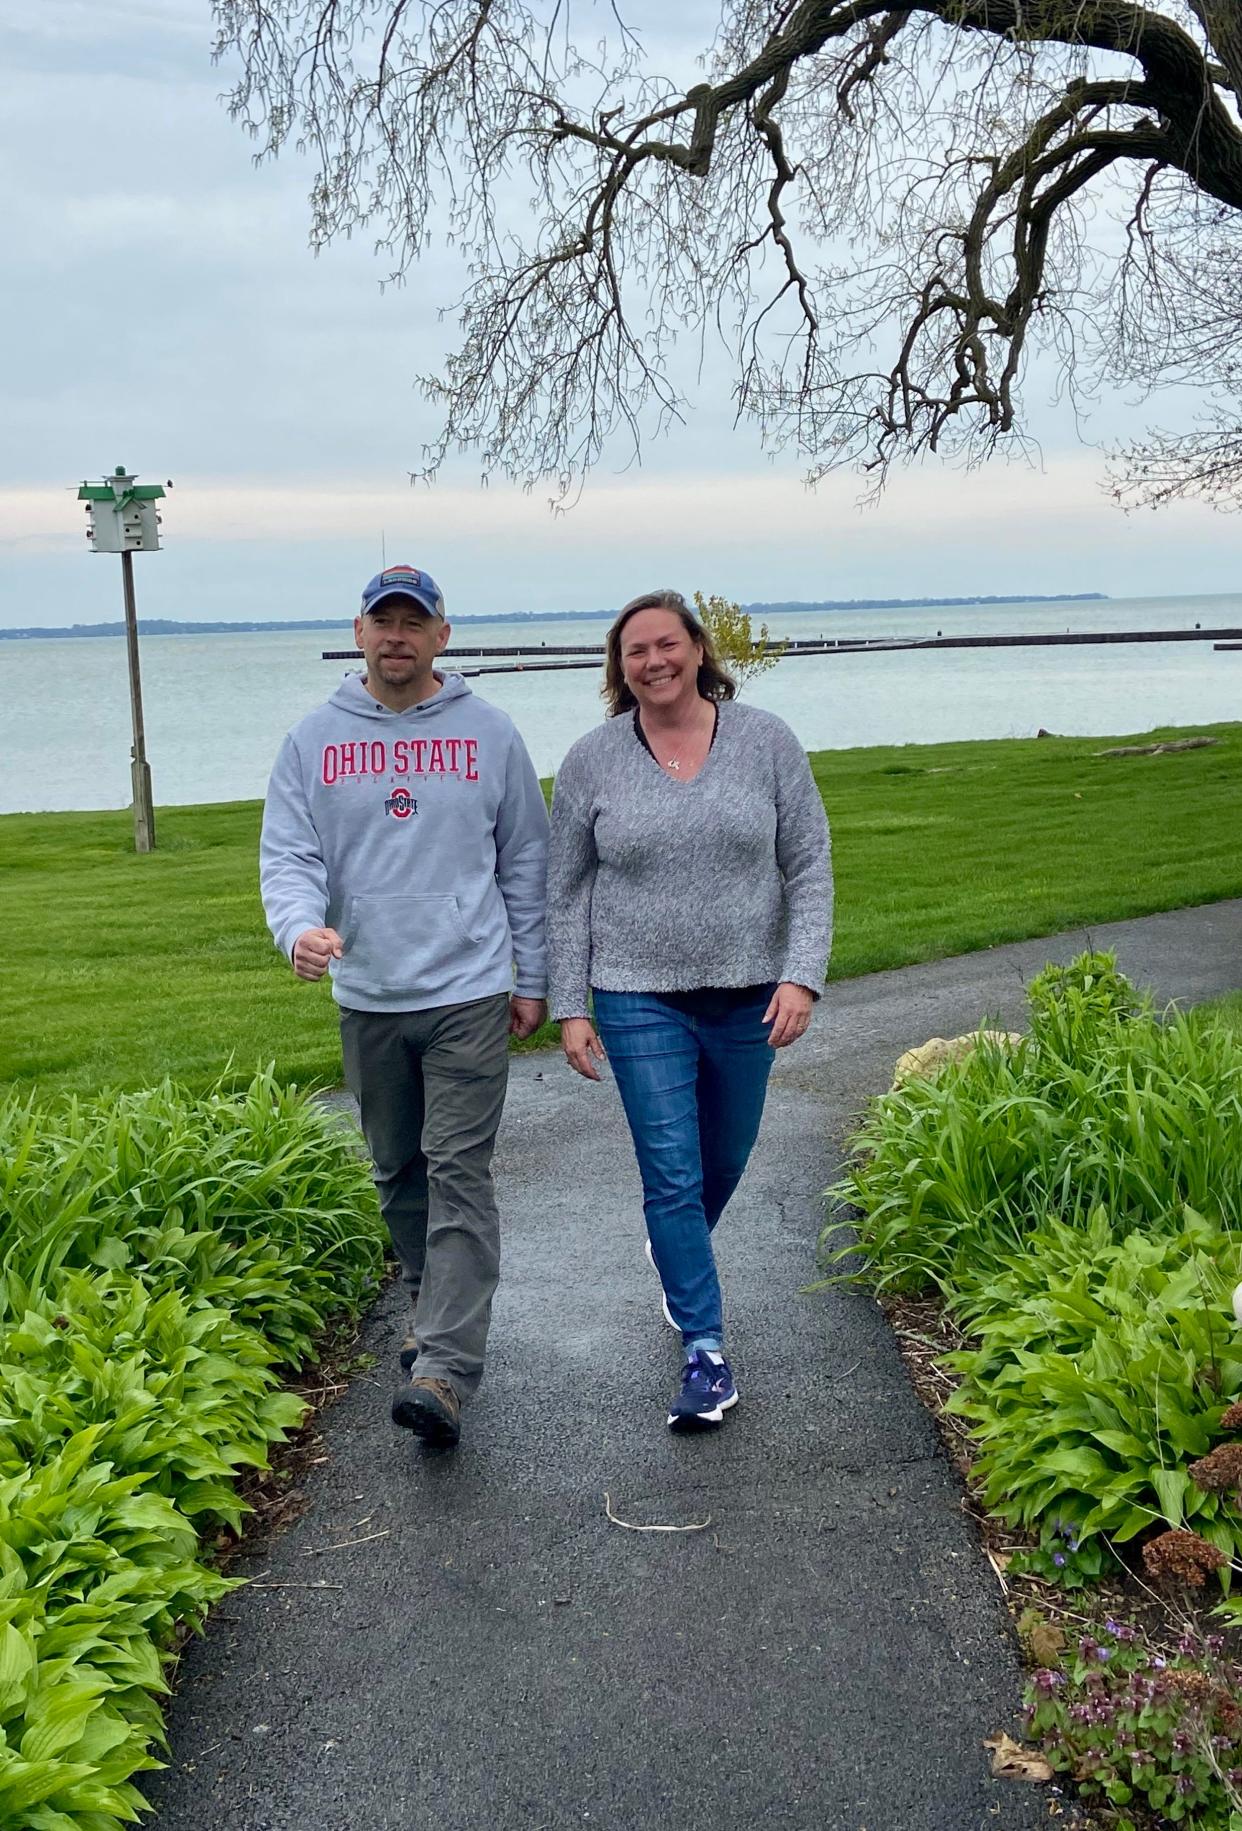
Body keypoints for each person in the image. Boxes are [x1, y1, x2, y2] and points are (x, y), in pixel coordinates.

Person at [260, 563, 548, 1449]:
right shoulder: (313, 739)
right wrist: (299, 928)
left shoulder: (490, 733)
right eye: (381, 621)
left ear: (441, 636)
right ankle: (432, 1312)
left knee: (459, 1168)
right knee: (398, 1171)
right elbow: (290, 855)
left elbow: (525, 862)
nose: (396, 635)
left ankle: (446, 1371)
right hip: (370, 993)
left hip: (468, 985)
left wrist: (530, 975)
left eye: (412, 621)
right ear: (358, 634)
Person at [547, 589, 831, 1432]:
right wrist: (571, 1004)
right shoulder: (591, 761)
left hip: (749, 994)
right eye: (635, 651)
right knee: (670, 1171)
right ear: (618, 667)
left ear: (699, 650)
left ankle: (677, 1251)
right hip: (638, 996)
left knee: (725, 1157)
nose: (654, 661)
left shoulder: (767, 741)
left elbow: (809, 862)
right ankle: (705, 1352)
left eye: (666, 644)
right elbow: (564, 893)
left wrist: (801, 974)